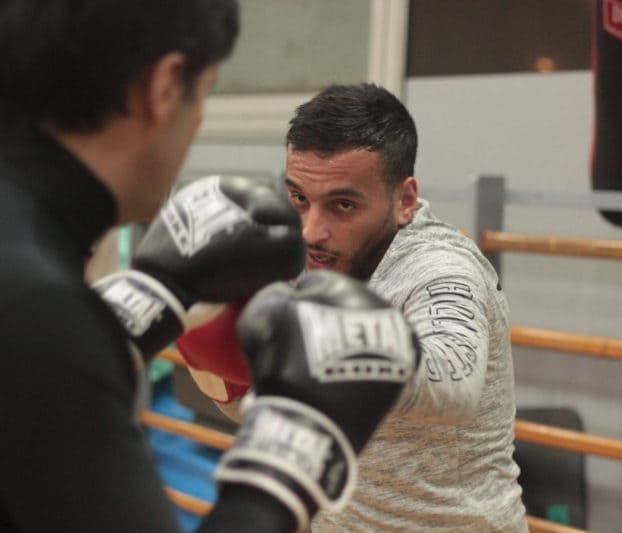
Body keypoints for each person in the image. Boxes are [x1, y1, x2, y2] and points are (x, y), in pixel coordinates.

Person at [0, 4, 418, 533]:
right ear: (166, 87)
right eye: (206, 91)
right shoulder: (41, 315)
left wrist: (157, 292)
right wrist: (292, 449)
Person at [179, 83, 528, 531]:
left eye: (343, 204)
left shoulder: (440, 268)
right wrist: (212, 353)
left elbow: (454, 385)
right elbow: (262, 406)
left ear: (404, 200)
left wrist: (323, 341)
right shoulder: (304, 256)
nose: (311, 230)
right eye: (299, 198)